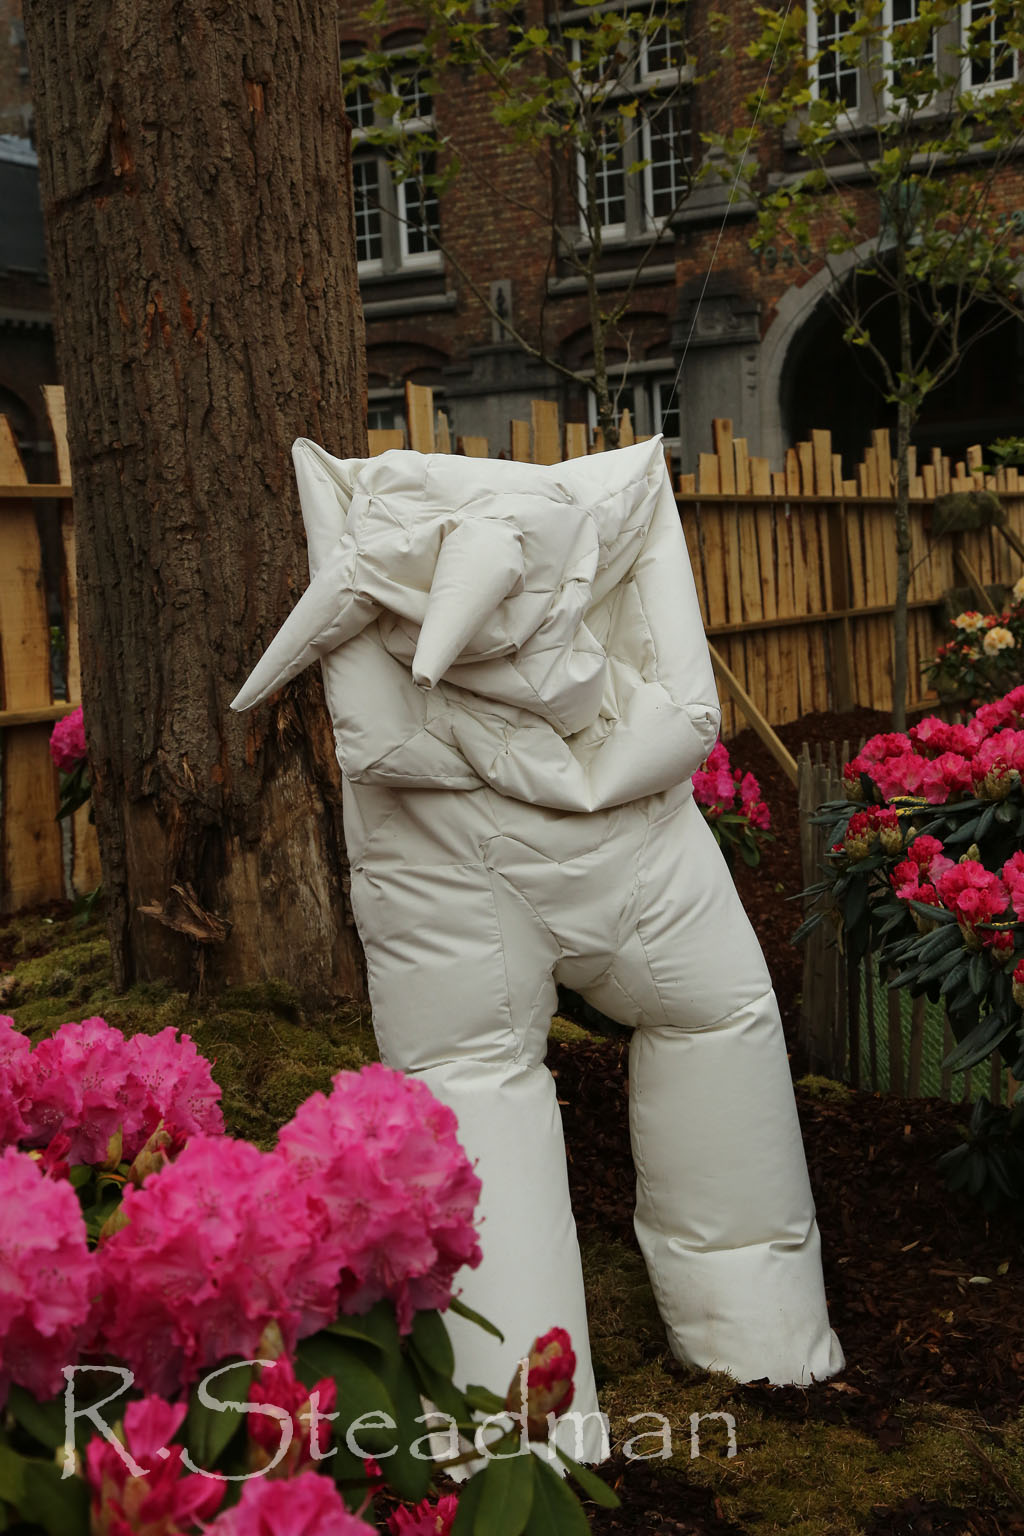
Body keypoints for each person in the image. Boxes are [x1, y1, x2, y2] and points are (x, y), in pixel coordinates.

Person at [232, 436, 844, 1462]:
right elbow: (672, 678)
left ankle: (516, 1434)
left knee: (471, 1081)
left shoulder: (383, 587)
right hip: (638, 852)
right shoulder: (619, 523)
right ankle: (760, 1332)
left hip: (452, 876)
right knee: (716, 1028)